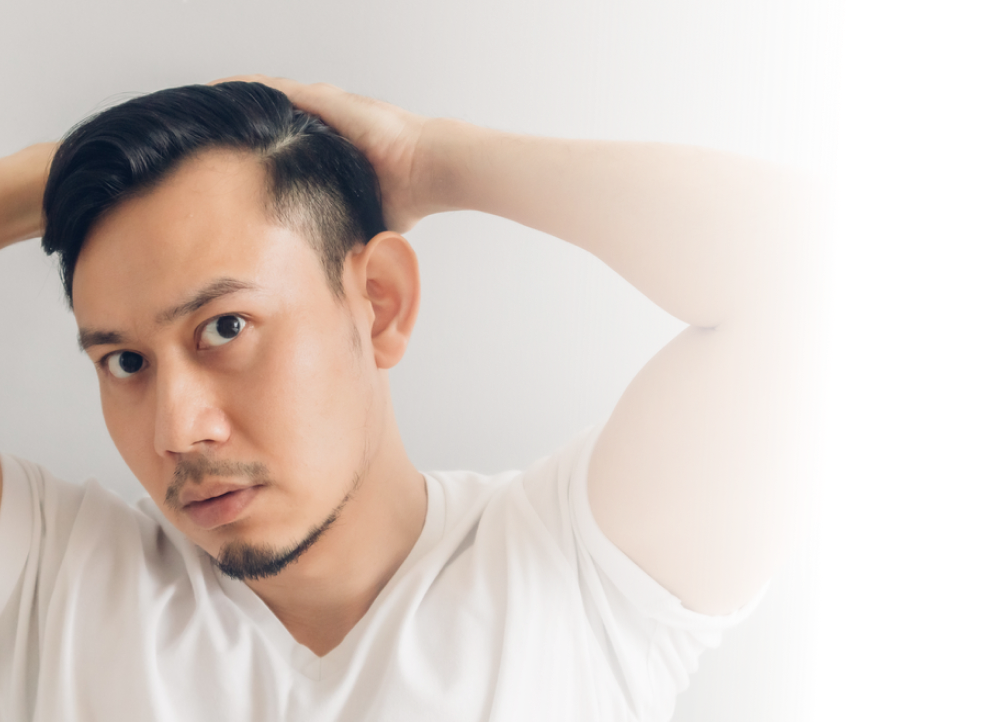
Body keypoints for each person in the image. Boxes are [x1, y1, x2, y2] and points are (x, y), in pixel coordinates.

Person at [0, 76, 835, 720]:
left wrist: (432, 160)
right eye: (124, 361)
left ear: (380, 303)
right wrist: (63, 171)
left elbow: (812, 277)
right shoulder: (48, 576)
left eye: (225, 328)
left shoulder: (582, 576)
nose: (177, 429)